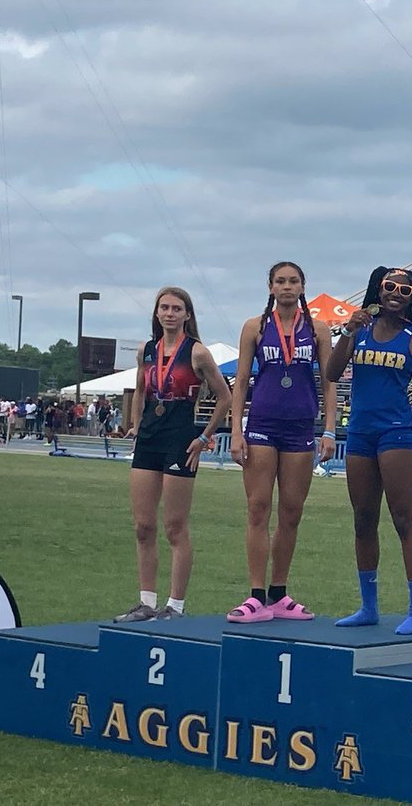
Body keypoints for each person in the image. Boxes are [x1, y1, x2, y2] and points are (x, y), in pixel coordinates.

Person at [326, 266, 412, 635]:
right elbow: (331, 372)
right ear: (378, 289)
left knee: (403, 519)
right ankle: (368, 606)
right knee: (362, 520)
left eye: (404, 291)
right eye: (389, 287)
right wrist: (347, 331)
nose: (395, 294)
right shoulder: (358, 330)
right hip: (359, 432)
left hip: (395, 432)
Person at [227, 263, 338, 623]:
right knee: (258, 508)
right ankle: (256, 594)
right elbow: (241, 381)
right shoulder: (255, 327)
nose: (287, 287)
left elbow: (329, 381)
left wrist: (330, 429)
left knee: (291, 512)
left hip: (300, 428)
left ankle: (279, 592)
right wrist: (236, 431)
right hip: (261, 426)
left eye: (293, 281)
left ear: (303, 286)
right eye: (280, 281)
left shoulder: (318, 329)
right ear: (270, 287)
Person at [114, 287, 232, 623]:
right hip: (150, 439)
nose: (169, 313)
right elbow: (140, 390)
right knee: (143, 525)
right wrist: (136, 426)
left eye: (176, 308)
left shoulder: (197, 353)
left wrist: (204, 437)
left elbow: (224, 397)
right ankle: (146, 602)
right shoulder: (147, 351)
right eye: (164, 307)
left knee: (175, 526)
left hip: (181, 438)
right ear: (156, 313)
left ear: (187, 315)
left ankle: (175, 606)